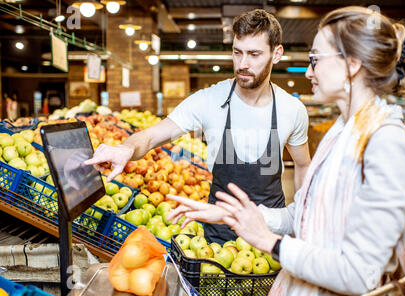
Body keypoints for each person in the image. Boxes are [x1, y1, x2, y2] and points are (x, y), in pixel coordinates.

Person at [167, 6, 405, 296]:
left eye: (315, 60)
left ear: (352, 64)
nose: (308, 72)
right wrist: (231, 214)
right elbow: (305, 214)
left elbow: (360, 274)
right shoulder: (343, 132)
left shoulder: (388, 145)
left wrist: (271, 243)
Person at [85, 9, 311, 245]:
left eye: (254, 54)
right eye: (237, 53)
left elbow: (303, 164)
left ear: (277, 54)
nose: (243, 64)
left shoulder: (291, 110)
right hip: (219, 237)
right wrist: (126, 148)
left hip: (271, 231)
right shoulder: (209, 100)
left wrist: (301, 221)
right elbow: (152, 136)